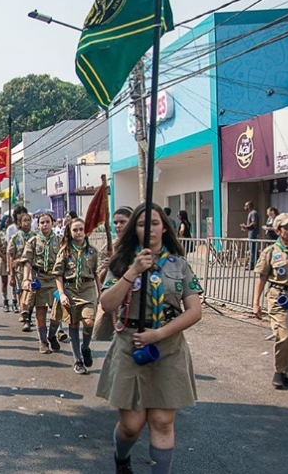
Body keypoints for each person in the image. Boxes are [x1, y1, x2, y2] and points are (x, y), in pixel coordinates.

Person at [98, 203, 203, 474]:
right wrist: (132, 271)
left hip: (167, 345)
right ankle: (121, 458)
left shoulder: (179, 264)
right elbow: (108, 303)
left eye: (155, 223)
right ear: (135, 229)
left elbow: (194, 311)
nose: (150, 229)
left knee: (162, 421)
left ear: (164, 227)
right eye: (143, 224)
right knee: (132, 426)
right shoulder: (121, 261)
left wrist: (159, 334)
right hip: (130, 345)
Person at [252, 212, 288, 390]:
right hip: (278, 297)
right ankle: (279, 371)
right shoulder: (271, 252)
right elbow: (262, 278)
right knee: (284, 336)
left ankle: (287, 374)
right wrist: (255, 303)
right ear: (278, 231)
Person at [52, 218, 99, 374]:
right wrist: (62, 294)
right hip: (71, 289)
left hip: (88, 288)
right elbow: (58, 275)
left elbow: (97, 273)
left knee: (88, 321)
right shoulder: (64, 251)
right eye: (75, 230)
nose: (78, 233)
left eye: (81, 229)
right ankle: (78, 360)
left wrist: (101, 293)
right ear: (70, 233)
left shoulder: (92, 251)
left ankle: (85, 347)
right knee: (73, 324)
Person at [21, 212, 63, 350]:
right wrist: (26, 279)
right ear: (38, 225)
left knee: (58, 310)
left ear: (53, 223)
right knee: (41, 311)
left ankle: (52, 334)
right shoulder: (33, 241)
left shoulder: (60, 240)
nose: (45, 225)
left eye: (47, 222)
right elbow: (27, 261)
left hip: (55, 279)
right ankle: (43, 341)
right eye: (42, 222)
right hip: (39, 278)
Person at [94, 207, 133, 341]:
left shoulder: (141, 246)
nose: (118, 226)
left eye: (123, 222)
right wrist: (107, 268)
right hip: (115, 299)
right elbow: (100, 278)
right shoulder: (111, 247)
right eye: (115, 223)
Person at [7, 210, 31, 314]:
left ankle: (28, 312)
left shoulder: (35, 236)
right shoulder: (15, 237)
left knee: (32, 292)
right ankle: (23, 313)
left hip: (32, 268)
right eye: (25, 220)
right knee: (22, 291)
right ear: (20, 223)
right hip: (19, 270)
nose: (27, 223)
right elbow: (11, 256)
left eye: (29, 220)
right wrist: (11, 275)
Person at [0, 216, 11, 312]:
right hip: (3, 256)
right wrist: (4, 258)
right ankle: (5, 301)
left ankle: (15, 301)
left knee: (14, 282)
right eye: (7, 221)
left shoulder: (14, 231)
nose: (8, 223)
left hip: (12, 257)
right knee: (4, 281)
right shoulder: (0, 233)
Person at [242, 201, 260, 270]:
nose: (244, 207)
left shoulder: (253, 213)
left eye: (245, 206)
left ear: (249, 206)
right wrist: (246, 227)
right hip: (251, 233)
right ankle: (257, 263)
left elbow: (254, 223)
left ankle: (252, 264)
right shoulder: (251, 213)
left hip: (253, 234)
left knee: (252, 249)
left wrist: (246, 226)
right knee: (253, 249)